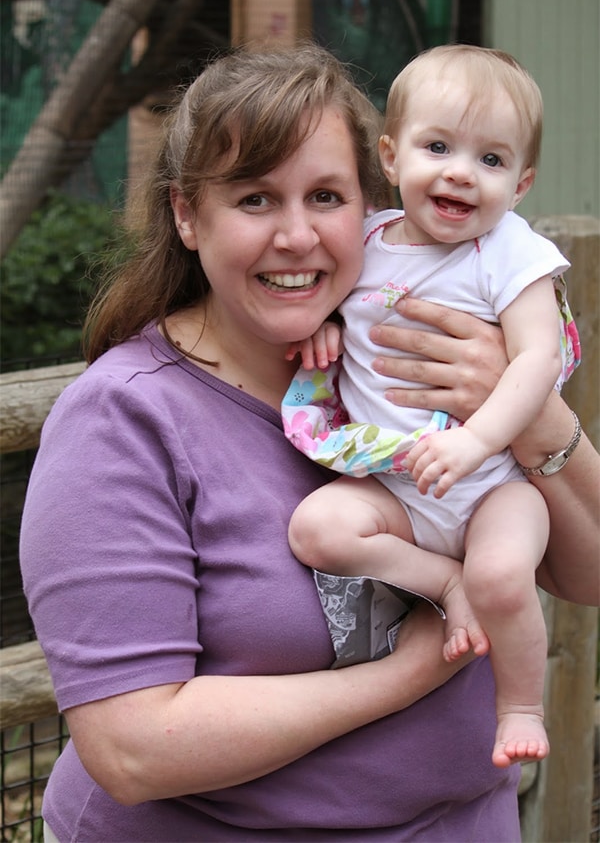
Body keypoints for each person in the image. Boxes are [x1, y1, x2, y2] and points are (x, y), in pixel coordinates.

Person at [18, 44, 599, 843]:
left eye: (326, 195)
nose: (298, 235)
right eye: (256, 199)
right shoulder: (124, 420)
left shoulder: (440, 359)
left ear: (372, 201)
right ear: (188, 214)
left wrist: (533, 419)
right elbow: (133, 748)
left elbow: (589, 572)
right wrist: (417, 666)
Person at [282, 45, 582, 769]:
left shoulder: (511, 253)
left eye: (490, 159)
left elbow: (539, 358)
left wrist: (477, 443)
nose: (459, 171)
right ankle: (442, 581)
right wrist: (325, 330)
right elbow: (336, 303)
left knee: (503, 577)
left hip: (491, 488)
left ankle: (518, 705)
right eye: (438, 146)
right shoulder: (371, 240)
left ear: (521, 183)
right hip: (399, 489)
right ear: (390, 155)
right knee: (318, 526)